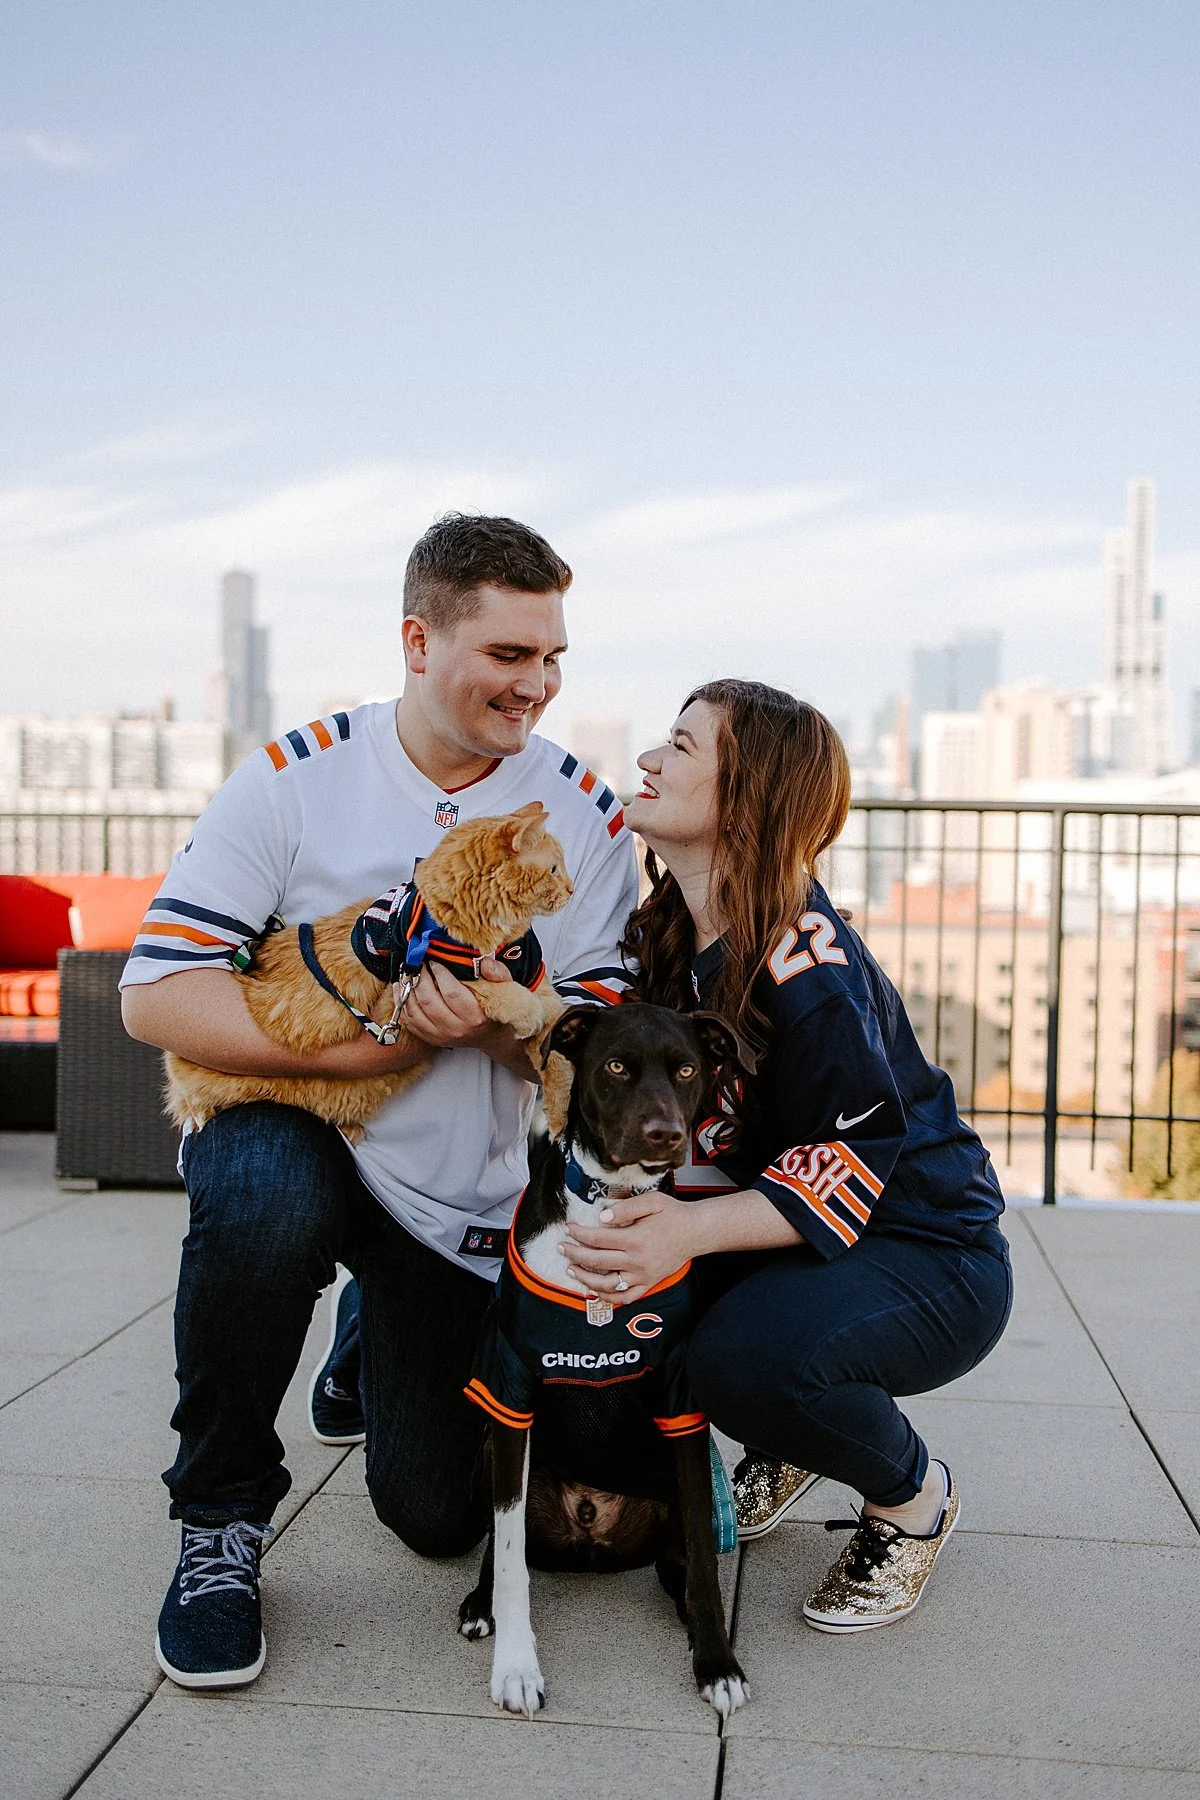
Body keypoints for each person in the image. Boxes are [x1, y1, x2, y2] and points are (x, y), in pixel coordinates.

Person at [120, 514, 637, 1688]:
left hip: (449, 1198)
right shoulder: (296, 778)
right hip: (298, 1123)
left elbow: (588, 1059)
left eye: (553, 656)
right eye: (509, 656)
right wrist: (366, 1047)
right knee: (259, 1203)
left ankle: (364, 1335)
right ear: (418, 639)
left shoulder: (587, 815)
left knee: (438, 1517)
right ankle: (219, 1525)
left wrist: (510, 1026)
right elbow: (157, 995)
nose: (538, 686)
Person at [562, 679, 1013, 1633]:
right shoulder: (681, 935)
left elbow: (855, 1154)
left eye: (680, 749)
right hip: (807, 1240)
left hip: (931, 1254)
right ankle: (794, 1433)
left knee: (741, 1362)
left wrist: (685, 1231)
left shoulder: (806, 963)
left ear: (747, 797)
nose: (647, 759)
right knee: (646, 1303)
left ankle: (911, 1499)